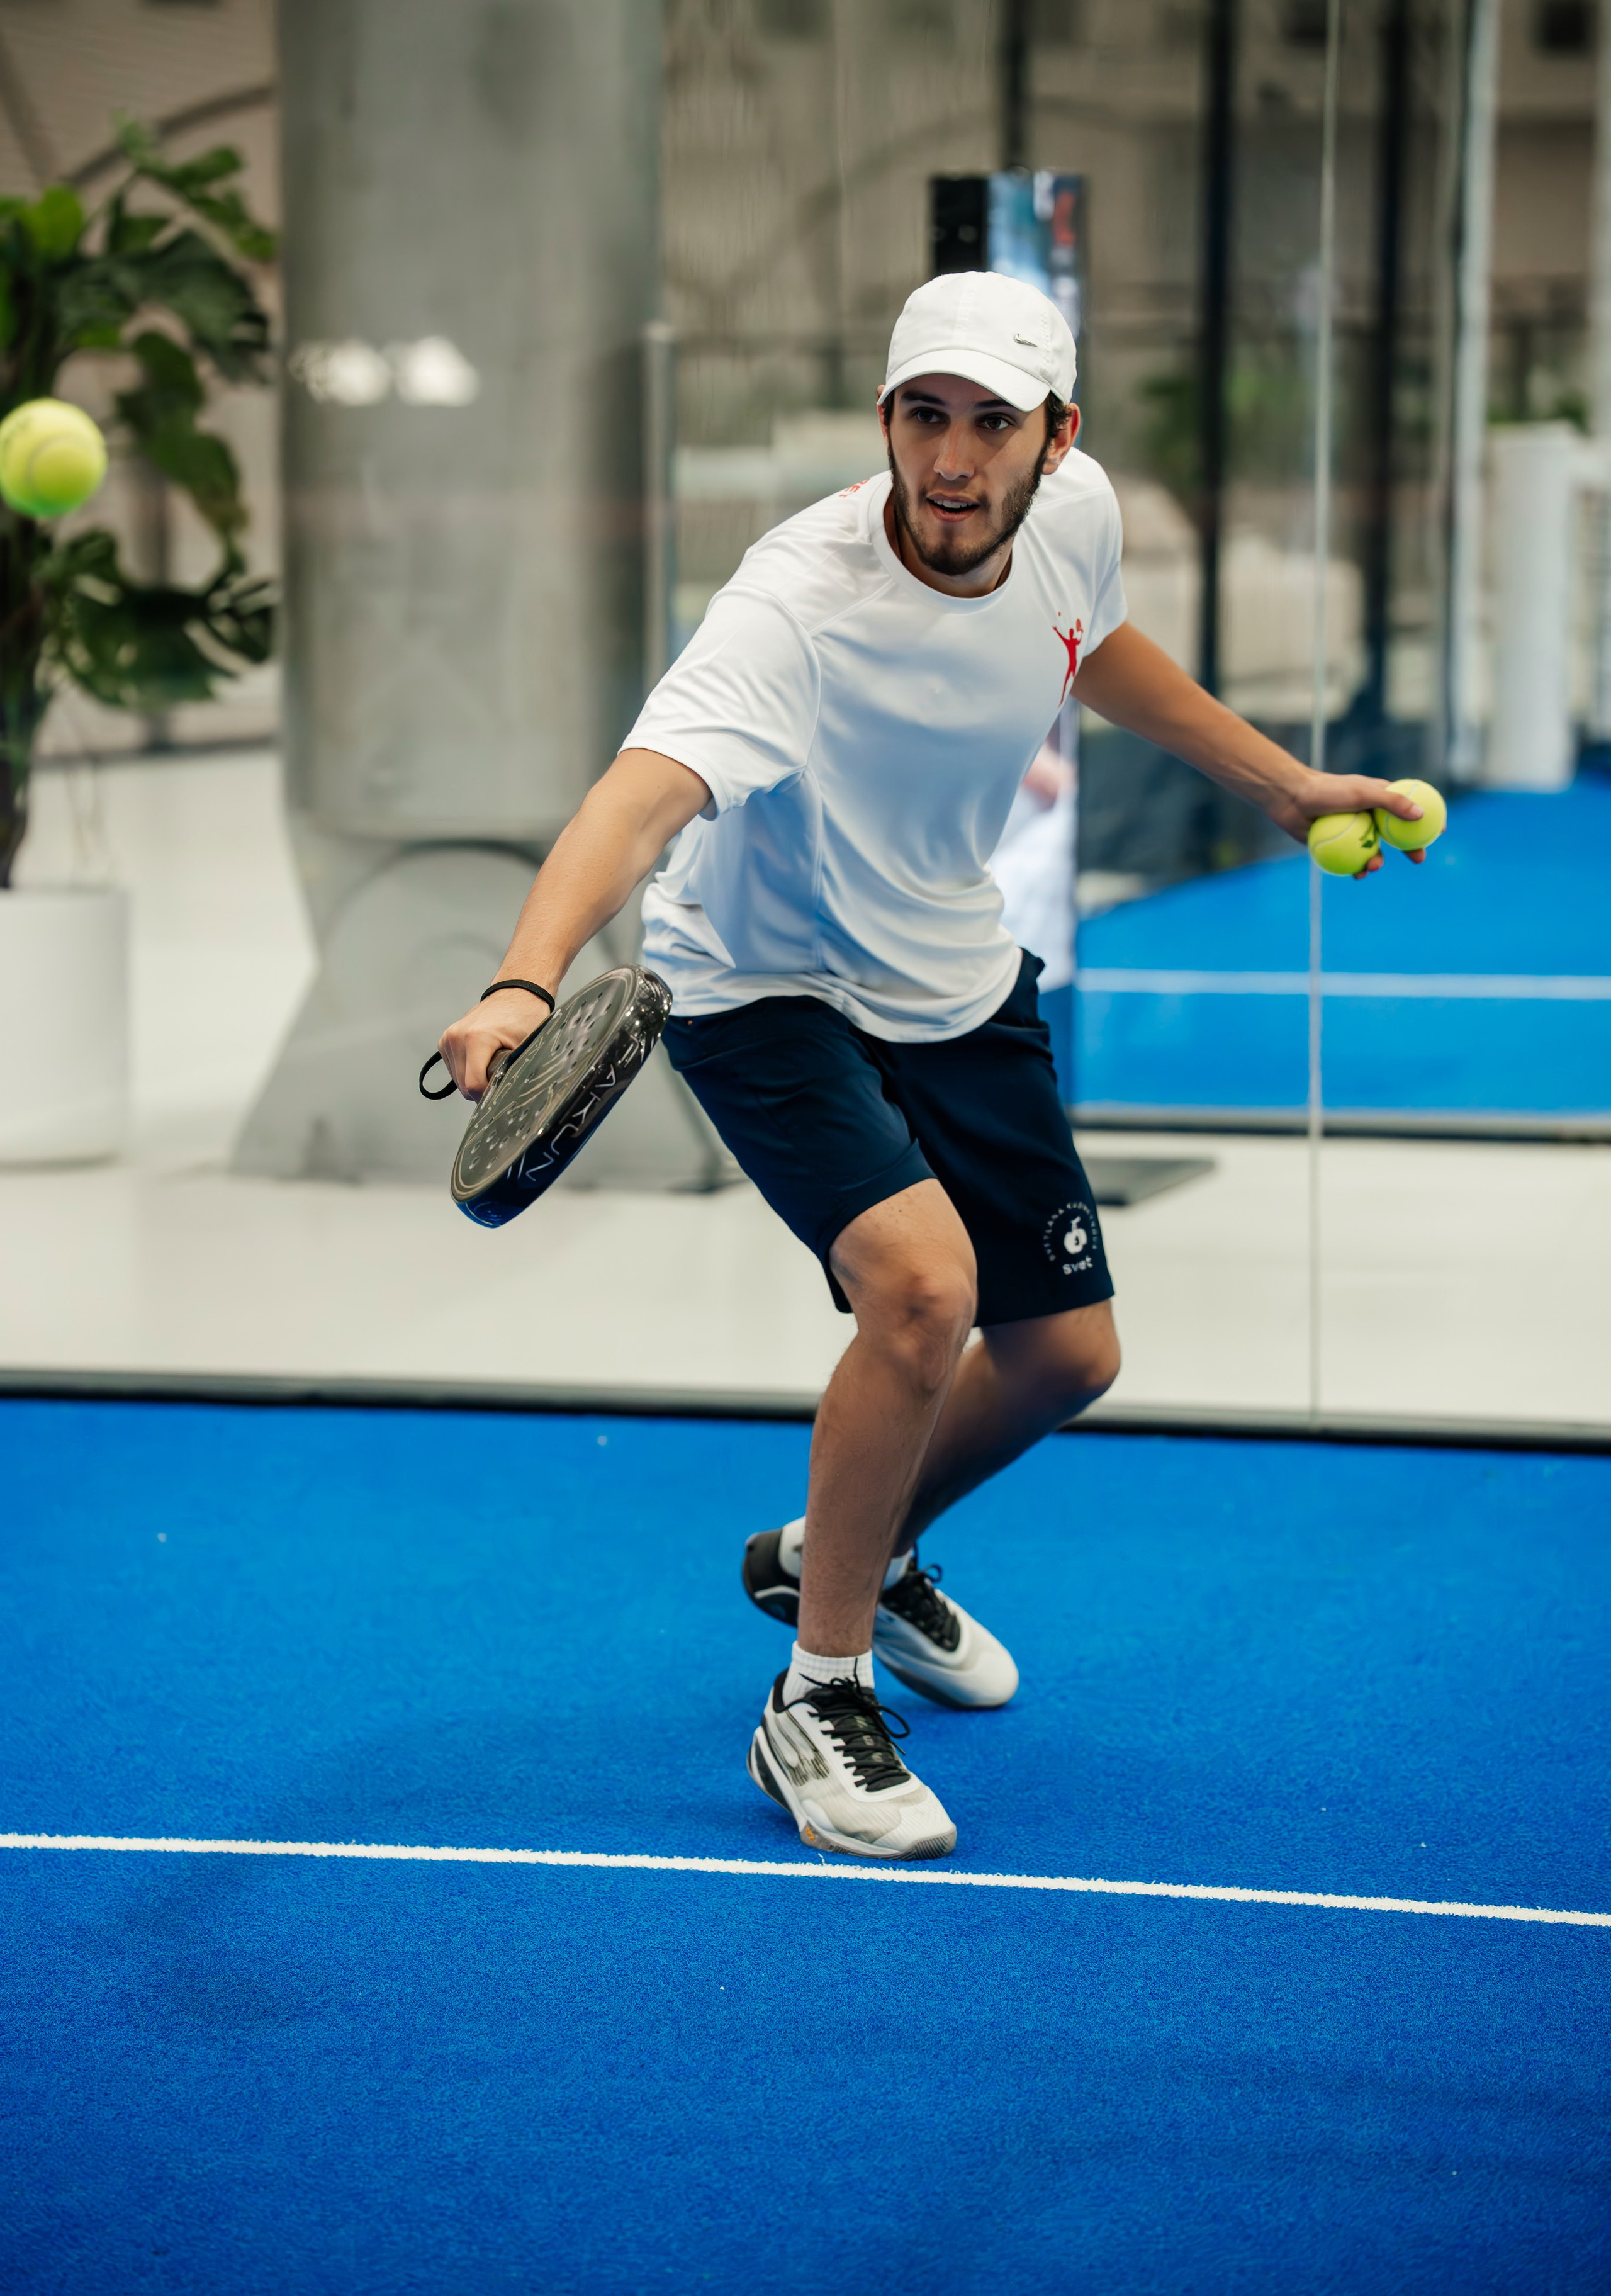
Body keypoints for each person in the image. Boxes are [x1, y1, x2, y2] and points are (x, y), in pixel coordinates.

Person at [435, 271, 1427, 1863]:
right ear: (884, 423)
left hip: (946, 966)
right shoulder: (791, 603)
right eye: (921, 417)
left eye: (989, 423)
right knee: (919, 1291)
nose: (951, 460)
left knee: (1067, 1356)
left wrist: (1281, 785)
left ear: (1053, 439)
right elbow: (633, 798)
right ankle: (812, 1696)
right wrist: (517, 982)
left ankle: (851, 1551)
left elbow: (1090, 646)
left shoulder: (1075, 515)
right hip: (756, 979)